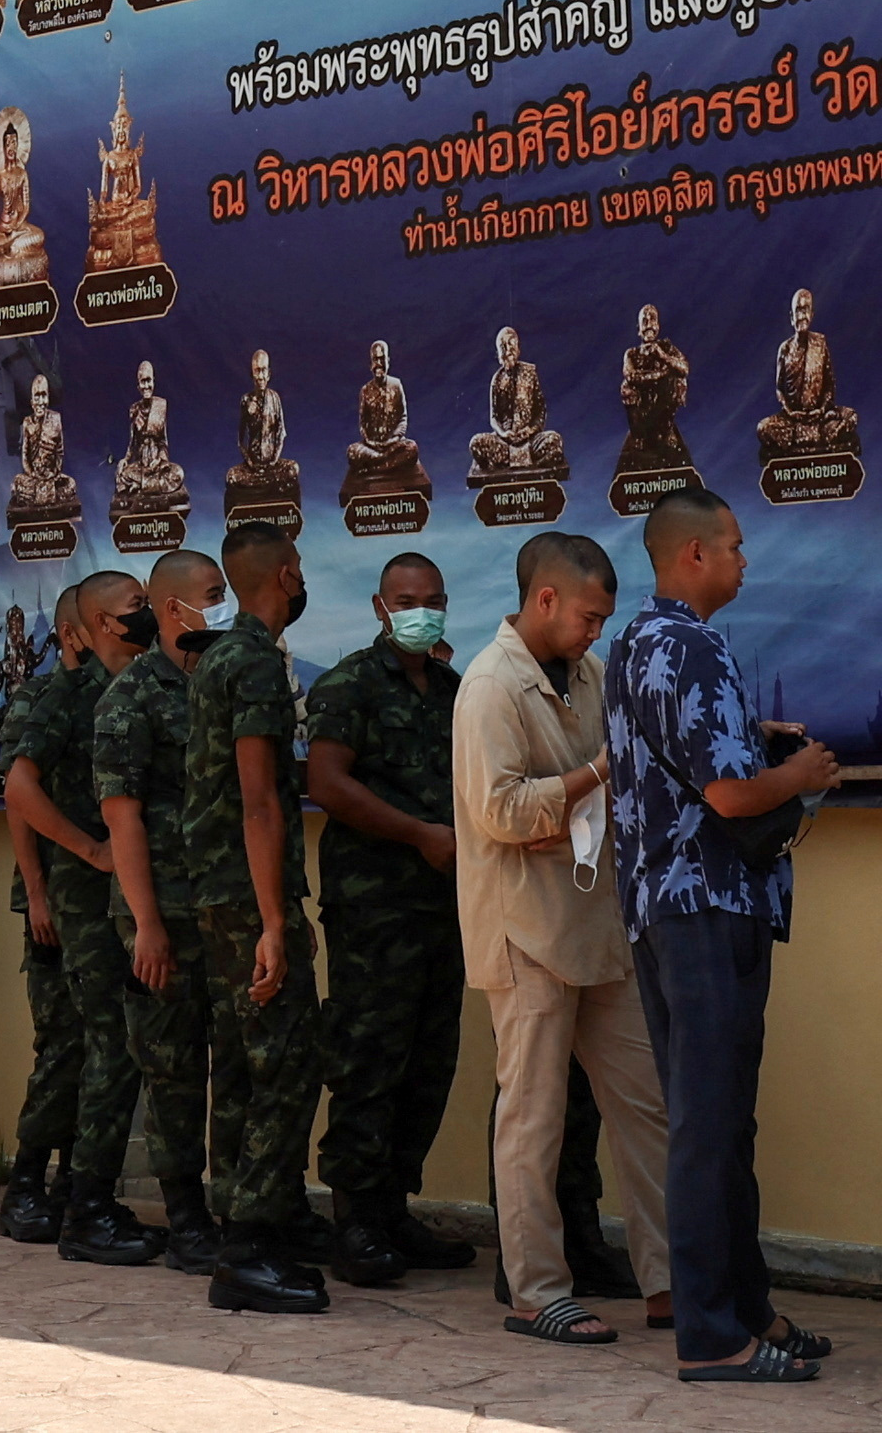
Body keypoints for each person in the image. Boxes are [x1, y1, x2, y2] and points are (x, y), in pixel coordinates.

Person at [606, 487, 846, 1381]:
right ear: (693, 555)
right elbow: (731, 796)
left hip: (670, 907)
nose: (748, 560)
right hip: (704, 905)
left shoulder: (636, 639)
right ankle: (712, 1335)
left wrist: (757, 740)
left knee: (720, 1123)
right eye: (736, 545)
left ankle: (749, 1310)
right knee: (709, 1126)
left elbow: (688, 765)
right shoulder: (691, 644)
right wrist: (803, 770)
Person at [462, 528, 673, 1344]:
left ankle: (671, 1282)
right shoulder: (490, 685)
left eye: (605, 620)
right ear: (544, 599)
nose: (597, 631)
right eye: (589, 615)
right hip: (526, 931)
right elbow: (503, 813)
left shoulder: (589, 673)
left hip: (597, 924)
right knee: (535, 1119)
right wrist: (597, 776)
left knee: (645, 1105)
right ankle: (537, 1290)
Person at [304, 549, 486, 1286]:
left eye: (433, 598)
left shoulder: (451, 687)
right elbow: (325, 781)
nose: (422, 610)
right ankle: (354, 1220)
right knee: (368, 1057)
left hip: (445, 905)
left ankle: (392, 1209)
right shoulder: (350, 683)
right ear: (382, 607)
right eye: (407, 599)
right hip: (375, 908)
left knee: (428, 1060)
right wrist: (418, 833)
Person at [184, 520, 337, 1312]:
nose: (301, 578)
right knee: (284, 1062)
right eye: (299, 567)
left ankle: (253, 1221)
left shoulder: (224, 657)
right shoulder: (252, 664)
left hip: (222, 891)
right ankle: (246, 1252)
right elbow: (258, 801)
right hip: (250, 896)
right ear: (282, 573)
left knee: (247, 1062)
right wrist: (276, 921)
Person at [2, 573, 150, 1252]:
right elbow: (20, 794)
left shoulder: (144, 687)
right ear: (84, 627)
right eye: (129, 612)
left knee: (107, 1048)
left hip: (125, 903)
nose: (140, 621)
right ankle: (31, 1186)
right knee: (73, 1047)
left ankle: (75, 1189)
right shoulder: (57, 695)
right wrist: (52, 879)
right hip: (74, 903)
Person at [97, 545, 234, 1272]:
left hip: (227, 910)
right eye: (213, 592)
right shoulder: (131, 698)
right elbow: (124, 821)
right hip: (166, 915)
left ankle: (239, 1203)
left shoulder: (224, 680)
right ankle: (186, 1217)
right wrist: (147, 924)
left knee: (238, 1063)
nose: (223, 603)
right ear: (172, 607)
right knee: (175, 1069)